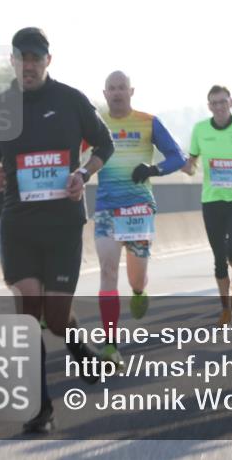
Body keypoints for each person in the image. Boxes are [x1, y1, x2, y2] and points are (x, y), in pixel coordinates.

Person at [0, 27, 115, 433]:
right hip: (18, 224)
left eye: (36, 58)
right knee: (28, 313)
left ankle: (75, 343)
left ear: (47, 61)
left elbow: (104, 145)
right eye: (22, 58)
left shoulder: (71, 100)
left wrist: (82, 172)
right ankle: (40, 408)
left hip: (62, 227)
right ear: (13, 62)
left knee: (55, 319)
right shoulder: (0, 106)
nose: (29, 65)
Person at [95, 71, 187, 364]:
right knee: (108, 271)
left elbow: (178, 156)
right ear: (105, 93)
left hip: (139, 209)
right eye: (112, 88)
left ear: (131, 91)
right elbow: (73, 153)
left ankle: (138, 290)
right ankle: (110, 344)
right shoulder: (96, 124)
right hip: (107, 208)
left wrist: (153, 169)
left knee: (136, 276)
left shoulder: (148, 121)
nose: (117, 92)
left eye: (122, 88)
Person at [183, 85, 232, 325]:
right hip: (212, 200)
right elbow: (192, 160)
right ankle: (225, 308)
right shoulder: (200, 129)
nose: (219, 107)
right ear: (209, 106)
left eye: (222, 102)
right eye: (214, 103)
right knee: (218, 257)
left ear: (231, 102)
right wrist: (189, 167)